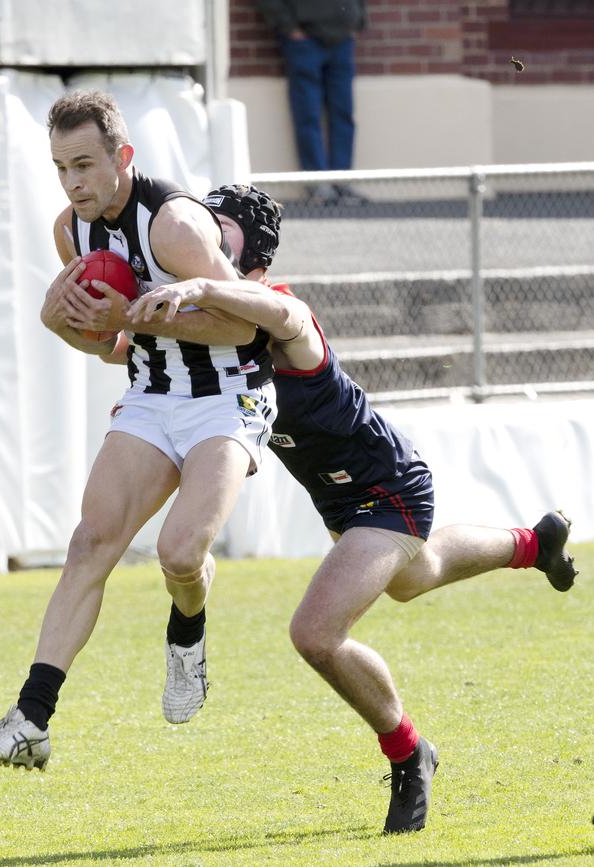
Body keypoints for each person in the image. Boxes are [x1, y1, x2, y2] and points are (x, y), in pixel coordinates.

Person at [123, 183, 578, 834]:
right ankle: (535, 544)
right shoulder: (207, 335)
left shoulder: (282, 310)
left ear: (250, 255)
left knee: (315, 633)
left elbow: (275, 323)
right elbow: (127, 346)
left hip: (388, 487)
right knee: (416, 576)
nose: (198, 241)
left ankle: (408, 750)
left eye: (215, 230)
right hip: (341, 497)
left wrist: (196, 289)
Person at [0, 93, 277, 771]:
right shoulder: (70, 231)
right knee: (89, 541)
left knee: (179, 552)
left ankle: (187, 627)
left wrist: (144, 317)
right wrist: (63, 324)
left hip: (228, 396)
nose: (73, 181)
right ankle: (31, 719)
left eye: (85, 164)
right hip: (152, 393)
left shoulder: (175, 228)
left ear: (123, 158)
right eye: (60, 167)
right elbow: (106, 340)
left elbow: (247, 325)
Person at [256, 0, 365, 202]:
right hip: (304, 38)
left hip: (342, 36)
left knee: (343, 115)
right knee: (308, 115)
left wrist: (357, 20)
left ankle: (343, 182)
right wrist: (289, 27)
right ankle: (318, 185)